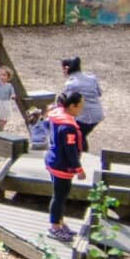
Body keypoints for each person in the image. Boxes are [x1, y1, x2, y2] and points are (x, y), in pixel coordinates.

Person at [43, 89, 89, 239]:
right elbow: (70, 151)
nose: (81, 109)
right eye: (80, 106)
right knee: (59, 197)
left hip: (53, 159)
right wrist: (79, 169)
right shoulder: (68, 126)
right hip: (61, 165)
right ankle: (54, 227)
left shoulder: (56, 115)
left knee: (60, 195)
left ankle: (60, 222)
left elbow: (45, 124)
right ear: (72, 106)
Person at [61, 55, 104, 144]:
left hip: (83, 118)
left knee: (74, 136)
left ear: (66, 68)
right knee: (80, 135)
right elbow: (99, 93)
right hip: (97, 115)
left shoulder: (70, 83)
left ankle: (79, 154)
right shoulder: (91, 78)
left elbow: (65, 102)